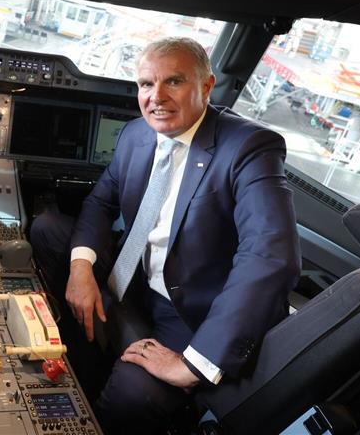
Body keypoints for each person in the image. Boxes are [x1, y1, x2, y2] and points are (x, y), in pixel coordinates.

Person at [30, 37, 300, 434]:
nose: (156, 97)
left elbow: (270, 256)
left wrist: (195, 364)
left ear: (206, 87)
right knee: (48, 228)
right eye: (145, 84)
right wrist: (81, 269)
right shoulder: (136, 135)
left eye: (173, 82)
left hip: (191, 306)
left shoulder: (249, 148)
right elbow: (101, 202)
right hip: (136, 272)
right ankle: (75, 348)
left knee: (134, 395)